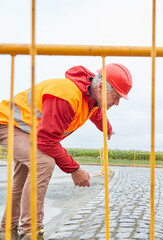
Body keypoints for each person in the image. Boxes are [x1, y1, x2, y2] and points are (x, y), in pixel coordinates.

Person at [0, 63, 132, 240]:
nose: (117, 103)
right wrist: (74, 169)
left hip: (27, 129)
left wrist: (106, 128)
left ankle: (7, 228)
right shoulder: (67, 96)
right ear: (101, 87)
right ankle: (31, 231)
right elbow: (47, 140)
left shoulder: (90, 96)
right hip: (8, 124)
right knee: (43, 163)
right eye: (115, 97)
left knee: (22, 177)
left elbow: (95, 112)